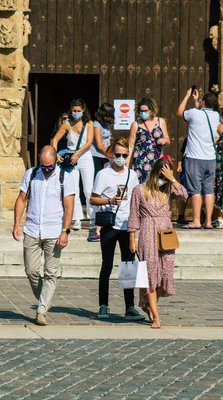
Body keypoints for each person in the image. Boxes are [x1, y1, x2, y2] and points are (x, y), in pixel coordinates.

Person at [12, 146, 76, 326]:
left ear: (56, 160)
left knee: (50, 273)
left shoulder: (65, 178)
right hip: (32, 229)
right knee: (31, 270)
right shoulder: (32, 174)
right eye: (43, 166)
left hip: (54, 231)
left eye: (50, 166)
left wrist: (65, 231)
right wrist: (17, 223)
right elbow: (21, 199)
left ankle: (41, 309)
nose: (46, 169)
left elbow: (69, 207)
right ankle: (45, 298)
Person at [128, 157, 188, 329]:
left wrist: (172, 179)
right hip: (147, 232)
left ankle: (148, 302)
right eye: (161, 174)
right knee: (149, 275)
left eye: (166, 174)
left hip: (166, 233)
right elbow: (133, 216)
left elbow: (184, 195)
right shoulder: (139, 190)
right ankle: (155, 315)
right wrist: (132, 238)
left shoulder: (169, 189)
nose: (162, 179)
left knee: (166, 275)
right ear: (154, 173)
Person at [90, 138, 144, 321]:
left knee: (128, 266)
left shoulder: (132, 175)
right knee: (107, 265)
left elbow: (136, 200)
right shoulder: (103, 174)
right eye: (117, 155)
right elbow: (93, 198)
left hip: (127, 226)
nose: (120, 158)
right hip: (109, 225)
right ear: (111, 155)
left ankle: (130, 307)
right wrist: (109, 201)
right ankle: (103, 305)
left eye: (124, 155)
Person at [176, 89, 219, 229]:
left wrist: (187, 96)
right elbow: (202, 114)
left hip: (195, 157)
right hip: (210, 158)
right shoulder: (216, 116)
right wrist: (197, 102)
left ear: (203, 102)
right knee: (208, 191)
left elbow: (179, 112)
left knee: (195, 190)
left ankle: (196, 221)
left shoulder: (194, 113)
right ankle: (207, 221)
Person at [51, 99, 95, 231]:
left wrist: (78, 153)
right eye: (74, 111)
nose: (76, 113)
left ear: (83, 111)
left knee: (88, 188)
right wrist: (55, 154)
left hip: (85, 156)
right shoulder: (67, 124)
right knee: (74, 189)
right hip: (71, 157)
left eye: (78, 111)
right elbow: (55, 139)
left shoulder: (89, 123)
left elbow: (89, 142)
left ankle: (93, 217)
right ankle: (76, 218)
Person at [88, 103, 115, 242]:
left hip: (105, 156)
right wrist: (110, 155)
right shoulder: (97, 125)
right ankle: (93, 218)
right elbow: (99, 145)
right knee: (97, 187)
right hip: (97, 157)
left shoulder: (106, 125)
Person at [128, 98, 171, 183]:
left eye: (145, 111)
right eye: (141, 111)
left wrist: (164, 140)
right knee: (140, 188)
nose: (143, 113)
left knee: (158, 187)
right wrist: (126, 166)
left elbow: (168, 139)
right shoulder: (136, 124)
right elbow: (130, 146)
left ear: (152, 110)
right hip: (140, 163)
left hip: (157, 162)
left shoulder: (160, 121)